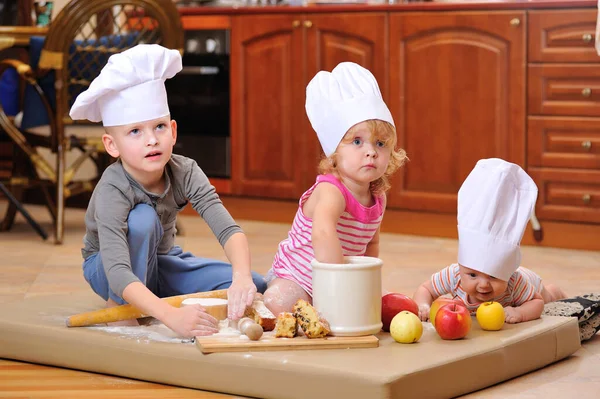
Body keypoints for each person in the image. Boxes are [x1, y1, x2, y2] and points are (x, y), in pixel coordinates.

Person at [69, 44, 267, 338]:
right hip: (110, 270)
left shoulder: (184, 170)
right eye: (135, 131)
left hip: (161, 262)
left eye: (159, 127)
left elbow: (227, 229)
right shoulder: (112, 189)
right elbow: (119, 270)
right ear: (112, 145)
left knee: (255, 283)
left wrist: (240, 278)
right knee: (143, 218)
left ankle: (151, 294)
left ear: (173, 131)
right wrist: (171, 317)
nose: (152, 140)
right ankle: (121, 307)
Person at [262, 62, 407, 316]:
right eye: (357, 141)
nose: (371, 151)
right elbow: (323, 234)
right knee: (280, 302)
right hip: (296, 277)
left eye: (381, 143)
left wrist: (365, 282)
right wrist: (340, 288)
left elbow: (371, 243)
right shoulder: (332, 190)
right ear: (334, 152)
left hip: (338, 278)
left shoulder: (378, 196)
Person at [413, 158, 567, 324]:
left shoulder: (516, 283)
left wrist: (520, 312)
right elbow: (426, 289)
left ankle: (555, 291)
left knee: (549, 298)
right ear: (461, 267)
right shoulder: (453, 275)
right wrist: (423, 305)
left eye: (493, 276)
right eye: (472, 275)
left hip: (531, 282)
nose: (483, 285)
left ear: (507, 273)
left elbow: (537, 302)